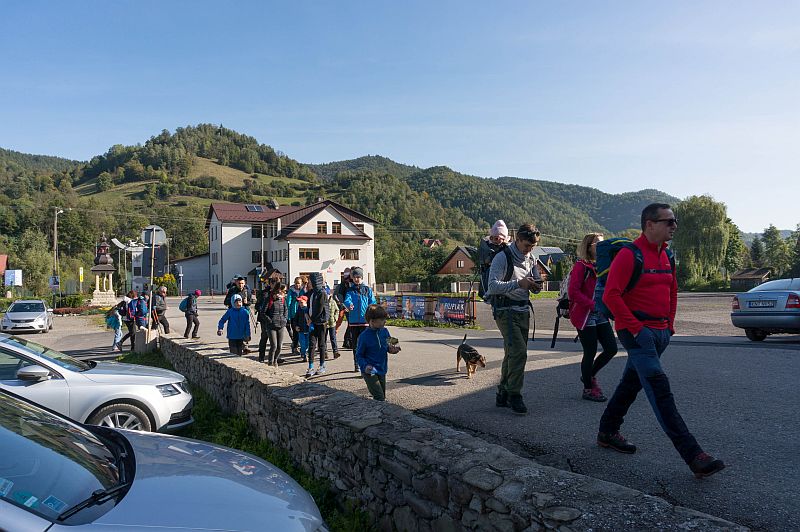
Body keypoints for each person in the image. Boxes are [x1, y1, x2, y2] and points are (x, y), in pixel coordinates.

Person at [597, 203, 725, 478]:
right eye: (668, 222)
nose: (674, 226)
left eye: (674, 221)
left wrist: (669, 324)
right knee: (660, 392)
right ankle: (694, 455)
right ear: (649, 224)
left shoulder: (668, 256)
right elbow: (611, 296)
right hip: (638, 334)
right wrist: (635, 328)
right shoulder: (629, 255)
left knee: (630, 385)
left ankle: (607, 431)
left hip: (660, 333)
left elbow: (672, 291)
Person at [485, 223, 543, 415]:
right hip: (505, 310)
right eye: (527, 245)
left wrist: (535, 285)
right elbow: (492, 287)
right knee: (519, 353)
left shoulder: (531, 258)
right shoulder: (502, 257)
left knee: (512, 353)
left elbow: (533, 281)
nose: (529, 250)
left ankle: (502, 393)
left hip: (523, 309)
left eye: (532, 247)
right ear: (517, 240)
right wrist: (519, 283)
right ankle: (514, 395)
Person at [568, 233, 618, 401]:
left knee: (611, 348)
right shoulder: (581, 266)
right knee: (590, 351)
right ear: (588, 247)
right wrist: (592, 304)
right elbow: (573, 292)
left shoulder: (606, 266)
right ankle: (588, 389)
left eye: (603, 243)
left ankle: (589, 375)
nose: (601, 246)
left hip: (601, 314)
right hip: (585, 314)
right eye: (597, 243)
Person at [356, 304, 401, 401]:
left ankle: (377, 413)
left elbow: (390, 344)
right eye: (382, 319)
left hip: (382, 368)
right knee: (379, 397)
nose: (385, 321)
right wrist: (365, 366)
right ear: (372, 321)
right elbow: (359, 355)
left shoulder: (384, 331)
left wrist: (393, 349)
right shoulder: (363, 337)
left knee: (382, 396)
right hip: (369, 371)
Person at [343, 267, 377, 372]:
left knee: (366, 344)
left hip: (365, 322)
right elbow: (346, 300)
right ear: (352, 278)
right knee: (355, 345)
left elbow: (372, 302)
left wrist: (372, 312)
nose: (357, 279)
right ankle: (356, 363)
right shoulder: (350, 290)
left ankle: (366, 365)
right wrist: (349, 304)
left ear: (361, 277)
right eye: (355, 277)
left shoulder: (367, 289)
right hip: (353, 322)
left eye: (358, 277)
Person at [305, 273, 330, 377]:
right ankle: (310, 367)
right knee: (311, 345)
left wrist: (311, 319)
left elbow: (319, 310)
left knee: (321, 345)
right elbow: (307, 305)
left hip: (320, 322)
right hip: (312, 322)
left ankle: (322, 365)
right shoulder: (311, 293)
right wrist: (306, 315)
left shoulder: (322, 293)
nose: (308, 283)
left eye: (310, 281)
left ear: (316, 282)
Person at [257, 283, 288, 365]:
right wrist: (270, 321)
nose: (282, 294)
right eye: (281, 292)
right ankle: (270, 362)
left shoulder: (283, 300)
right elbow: (263, 312)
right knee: (273, 346)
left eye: (283, 292)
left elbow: (286, 310)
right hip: (271, 326)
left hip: (281, 324)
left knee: (279, 346)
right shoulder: (269, 299)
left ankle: (275, 360)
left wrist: (285, 319)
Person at [286, 276, 306, 356]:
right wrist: (288, 316)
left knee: (301, 331)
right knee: (295, 331)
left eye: (299, 284)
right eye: (296, 283)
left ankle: (301, 347)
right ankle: (295, 347)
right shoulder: (291, 291)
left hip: (301, 313)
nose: (297, 285)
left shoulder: (302, 290)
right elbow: (288, 302)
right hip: (293, 313)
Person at [292, 295, 311, 362]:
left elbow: (312, 319)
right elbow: (295, 320)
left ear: (306, 302)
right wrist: (296, 326)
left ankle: (307, 354)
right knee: (302, 343)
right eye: (299, 302)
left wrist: (311, 324)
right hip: (301, 330)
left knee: (308, 343)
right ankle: (304, 355)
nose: (300, 304)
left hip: (308, 330)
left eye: (301, 302)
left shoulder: (309, 310)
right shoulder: (299, 310)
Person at [326, 287, 341, 359]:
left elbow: (337, 310)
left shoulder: (333, 302)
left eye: (327, 294)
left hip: (332, 323)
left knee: (333, 338)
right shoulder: (322, 302)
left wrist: (335, 317)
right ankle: (325, 352)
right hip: (324, 323)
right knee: (324, 339)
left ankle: (335, 352)